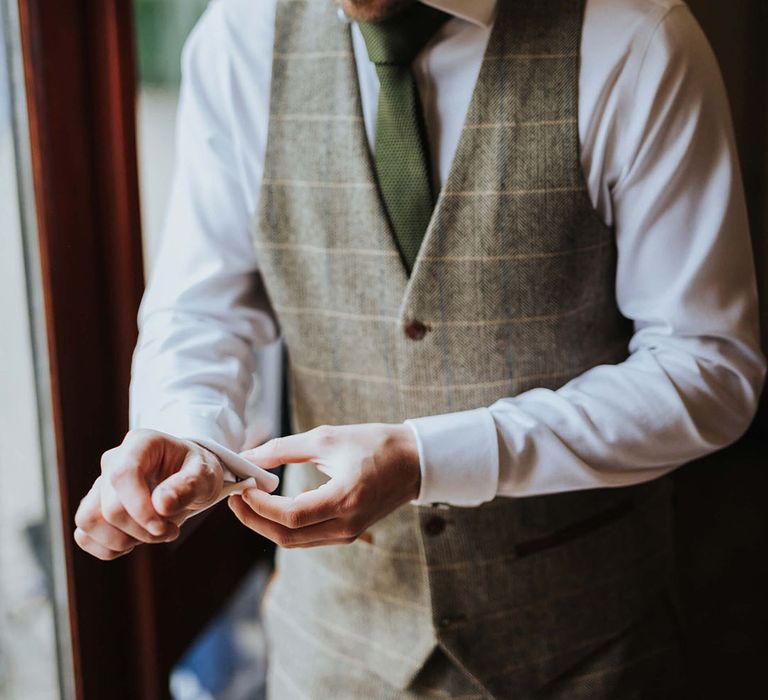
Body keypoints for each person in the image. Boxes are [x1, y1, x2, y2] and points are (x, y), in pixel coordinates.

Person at [74, 0, 765, 696]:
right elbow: (200, 308)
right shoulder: (240, 35)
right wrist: (185, 429)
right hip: (329, 651)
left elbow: (707, 368)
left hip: (586, 653)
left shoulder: (637, 40)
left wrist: (429, 459)